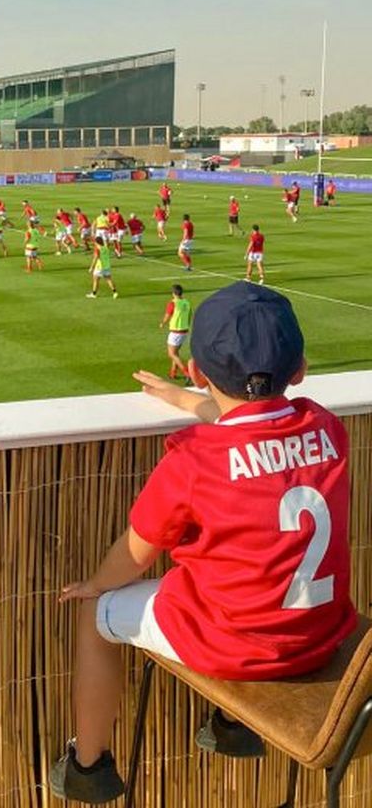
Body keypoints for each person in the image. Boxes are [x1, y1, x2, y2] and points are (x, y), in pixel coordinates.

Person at [50, 282, 355, 803]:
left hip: (240, 647)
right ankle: (232, 726)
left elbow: (135, 552)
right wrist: (191, 402)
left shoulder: (194, 460)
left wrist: (93, 584)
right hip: (321, 638)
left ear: (196, 370)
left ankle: (88, 766)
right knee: (230, 577)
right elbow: (259, 431)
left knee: (98, 612)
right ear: (300, 369)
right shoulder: (328, 429)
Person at [160, 284, 192, 379]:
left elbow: (168, 315)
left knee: (171, 354)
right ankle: (173, 373)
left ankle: (187, 372)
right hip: (184, 330)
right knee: (176, 352)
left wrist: (162, 323)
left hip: (175, 332)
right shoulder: (186, 302)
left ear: (173, 293)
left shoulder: (173, 303)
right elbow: (190, 315)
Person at [86, 236, 118, 300]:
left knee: (96, 280)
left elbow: (95, 258)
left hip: (99, 266)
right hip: (107, 266)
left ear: (96, 242)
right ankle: (114, 292)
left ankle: (94, 294)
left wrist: (91, 267)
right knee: (108, 279)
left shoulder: (97, 249)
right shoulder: (105, 247)